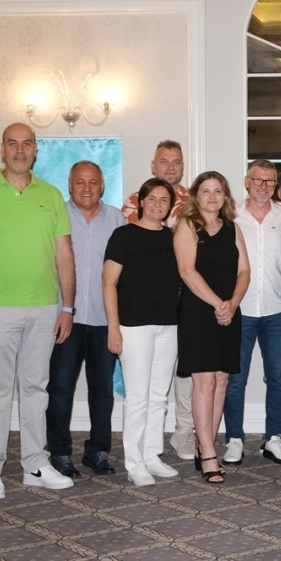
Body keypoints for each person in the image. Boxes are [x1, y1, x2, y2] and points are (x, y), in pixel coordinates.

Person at [0, 123, 76, 500]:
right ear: (2, 149)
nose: (19, 150)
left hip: (44, 308)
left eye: (27, 143)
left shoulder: (52, 195)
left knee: (35, 390)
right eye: (12, 143)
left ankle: (35, 464)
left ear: (35, 150)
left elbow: (64, 256)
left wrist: (67, 306)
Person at [45, 161, 124, 478]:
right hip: (66, 318)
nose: (87, 188)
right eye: (80, 182)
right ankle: (59, 452)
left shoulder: (117, 219)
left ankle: (97, 451)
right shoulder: (56, 216)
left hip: (105, 320)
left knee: (102, 392)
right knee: (60, 389)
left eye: (93, 182)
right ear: (69, 184)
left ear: (102, 185)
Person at [104, 178, 184, 487]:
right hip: (133, 327)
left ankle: (151, 456)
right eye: (152, 198)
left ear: (170, 205)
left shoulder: (174, 238)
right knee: (137, 398)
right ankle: (134, 463)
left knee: (159, 396)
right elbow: (108, 283)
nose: (158, 204)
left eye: (164, 200)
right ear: (142, 202)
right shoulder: (123, 235)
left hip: (168, 327)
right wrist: (114, 328)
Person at [174, 171, 251, 484]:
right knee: (204, 382)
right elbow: (187, 272)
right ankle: (207, 452)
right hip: (198, 313)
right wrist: (219, 304)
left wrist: (232, 303)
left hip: (229, 312)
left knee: (221, 380)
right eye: (205, 191)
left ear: (225, 195)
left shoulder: (233, 228)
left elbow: (244, 271)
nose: (212, 196)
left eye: (217, 191)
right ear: (196, 196)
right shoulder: (187, 225)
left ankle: (207, 445)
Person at [224, 159, 281, 465]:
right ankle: (234, 439)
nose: (263, 186)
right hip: (240, 309)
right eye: (258, 180)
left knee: (278, 378)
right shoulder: (231, 215)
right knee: (235, 379)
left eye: (269, 181)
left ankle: (274, 438)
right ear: (247, 181)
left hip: (278, 310)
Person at [126, 139, 195, 460]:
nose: (170, 167)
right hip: (147, 305)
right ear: (153, 166)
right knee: (146, 381)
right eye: (164, 161)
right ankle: (141, 446)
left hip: (188, 301)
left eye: (176, 161)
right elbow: (135, 248)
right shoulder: (135, 202)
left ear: (183, 167)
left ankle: (184, 432)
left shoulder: (195, 201)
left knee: (186, 371)